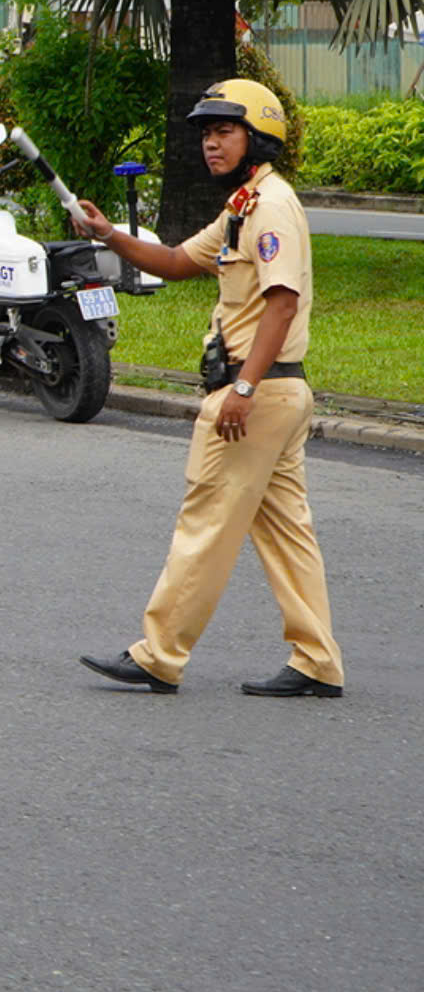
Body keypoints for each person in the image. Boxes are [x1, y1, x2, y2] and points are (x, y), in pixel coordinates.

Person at [71, 79, 343, 699]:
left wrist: (242, 390)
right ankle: (318, 661)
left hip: (255, 395)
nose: (211, 144)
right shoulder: (243, 206)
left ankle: (159, 654)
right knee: (286, 532)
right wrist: (109, 234)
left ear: (258, 138)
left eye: (224, 132)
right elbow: (175, 261)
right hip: (274, 395)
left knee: (205, 523)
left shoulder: (271, 208)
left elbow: (281, 304)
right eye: (206, 134)